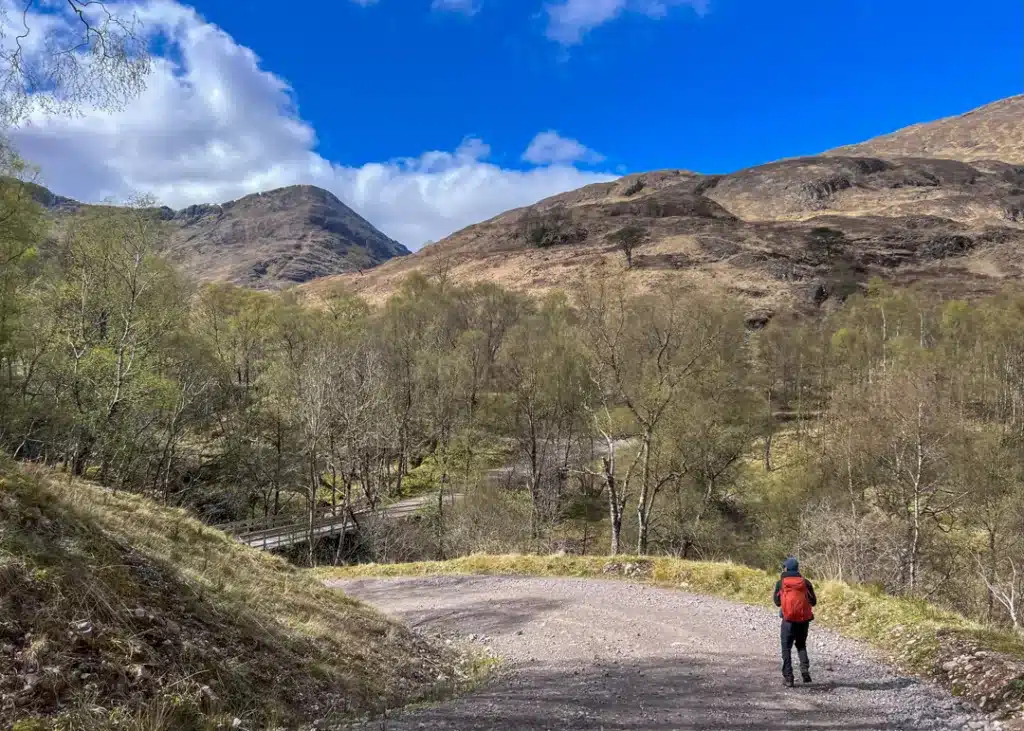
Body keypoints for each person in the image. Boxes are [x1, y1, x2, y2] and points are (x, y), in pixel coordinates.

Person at [772, 556, 817, 687]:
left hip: (788, 621)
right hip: (803, 620)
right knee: (801, 644)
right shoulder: (806, 582)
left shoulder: (781, 583)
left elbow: (777, 602)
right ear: (797, 568)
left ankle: (788, 678)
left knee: (786, 648)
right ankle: (804, 669)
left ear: (786, 568)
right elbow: (813, 601)